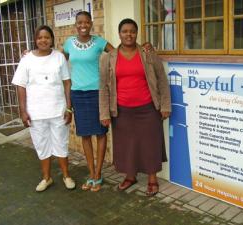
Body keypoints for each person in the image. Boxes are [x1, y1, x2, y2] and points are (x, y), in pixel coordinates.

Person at [62, 11, 152, 192]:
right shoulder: (69, 43)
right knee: (85, 135)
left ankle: (98, 173)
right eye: (80, 22)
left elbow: (121, 52)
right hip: (78, 94)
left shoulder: (99, 42)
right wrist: (29, 54)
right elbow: (58, 60)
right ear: (75, 24)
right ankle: (92, 174)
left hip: (97, 92)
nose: (83, 25)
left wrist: (143, 48)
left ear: (91, 24)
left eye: (87, 22)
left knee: (100, 133)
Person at [99, 18, 171, 196]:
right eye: (125, 31)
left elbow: (162, 79)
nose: (128, 34)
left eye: (132, 31)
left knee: (150, 144)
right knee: (127, 146)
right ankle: (130, 176)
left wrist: (165, 105)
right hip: (122, 111)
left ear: (137, 33)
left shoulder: (147, 53)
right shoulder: (108, 58)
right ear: (119, 34)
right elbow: (104, 87)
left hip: (148, 108)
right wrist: (104, 113)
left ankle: (152, 179)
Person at [12, 25, 75, 192]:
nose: (43, 40)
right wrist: (23, 111)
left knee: (61, 144)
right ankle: (47, 178)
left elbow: (67, 83)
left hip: (58, 111)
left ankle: (66, 176)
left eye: (47, 37)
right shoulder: (27, 60)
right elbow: (20, 86)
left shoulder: (59, 58)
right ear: (35, 40)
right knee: (42, 146)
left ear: (52, 40)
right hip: (36, 113)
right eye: (40, 37)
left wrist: (69, 108)